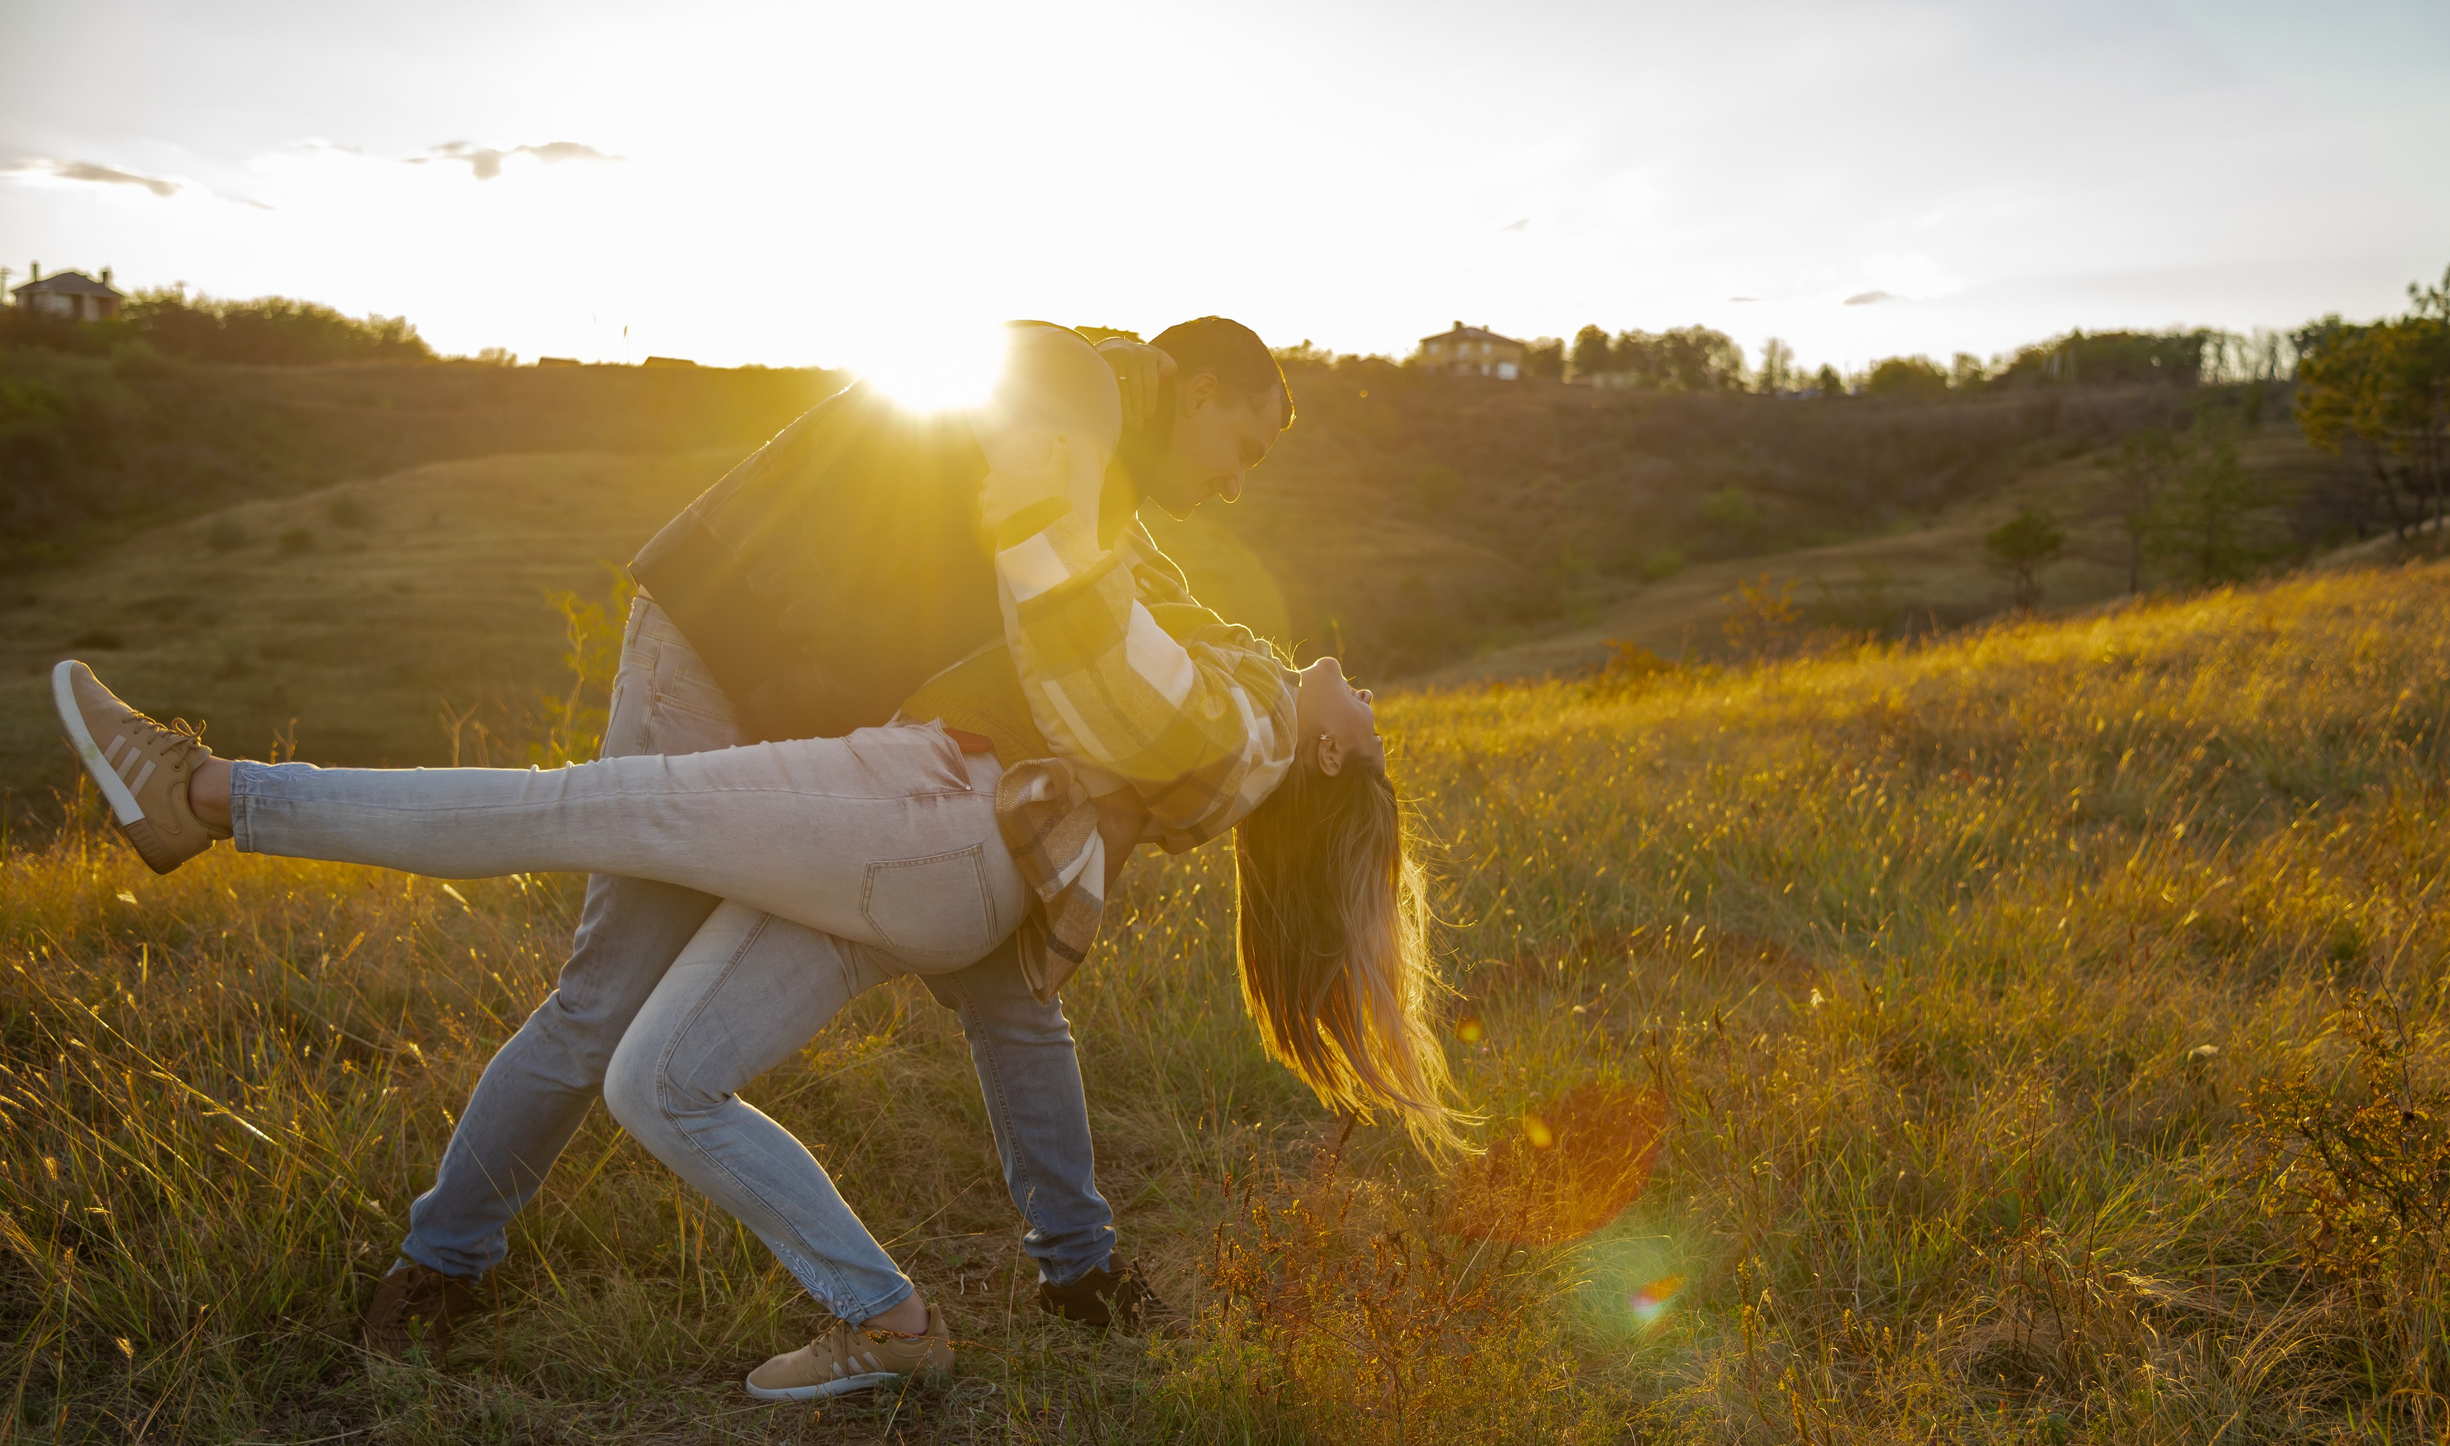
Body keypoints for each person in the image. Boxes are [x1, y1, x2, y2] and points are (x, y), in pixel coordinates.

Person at [157, 319, 1297, 1359]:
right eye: (1241, 446)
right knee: (607, 995)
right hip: (718, 648)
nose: (1239, 485)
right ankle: (444, 1258)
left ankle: (1081, 1268)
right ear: (1196, 387)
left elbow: (1154, 608)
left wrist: (1293, 695)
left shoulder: (1100, 451)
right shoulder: (1069, 381)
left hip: (820, 693)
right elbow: (1086, 596)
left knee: (1012, 981)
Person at [53, 588, 1456, 1396]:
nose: (1370, 693)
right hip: (924, 868)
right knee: (652, 1080)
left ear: (1331, 763)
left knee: (564, 810)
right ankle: (889, 1321)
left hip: (908, 808)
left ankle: (207, 792)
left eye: (1373, 723)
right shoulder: (1251, 709)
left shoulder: (1248, 725)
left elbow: (1083, 592)